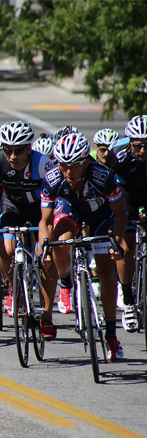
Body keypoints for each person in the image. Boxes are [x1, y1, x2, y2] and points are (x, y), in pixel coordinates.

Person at [39, 133, 127, 360]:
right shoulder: (52, 178)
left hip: (101, 216)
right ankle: (66, 280)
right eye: (64, 165)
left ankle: (110, 334)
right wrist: (43, 249)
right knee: (60, 241)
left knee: (107, 270)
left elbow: (120, 215)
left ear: (85, 162)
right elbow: (45, 222)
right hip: (71, 210)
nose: (68, 171)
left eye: (74, 165)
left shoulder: (103, 176)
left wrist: (115, 243)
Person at [0, 121, 57, 337]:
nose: (12, 156)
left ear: (29, 148)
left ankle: (47, 317)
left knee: (46, 258)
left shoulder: (42, 163)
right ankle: (14, 289)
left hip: (40, 210)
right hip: (11, 206)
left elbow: (57, 199)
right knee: (6, 249)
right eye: (8, 150)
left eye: (18, 151)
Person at [104, 115, 147, 332]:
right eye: (138, 146)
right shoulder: (117, 153)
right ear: (130, 143)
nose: (143, 151)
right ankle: (128, 299)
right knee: (127, 246)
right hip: (126, 193)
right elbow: (104, 180)